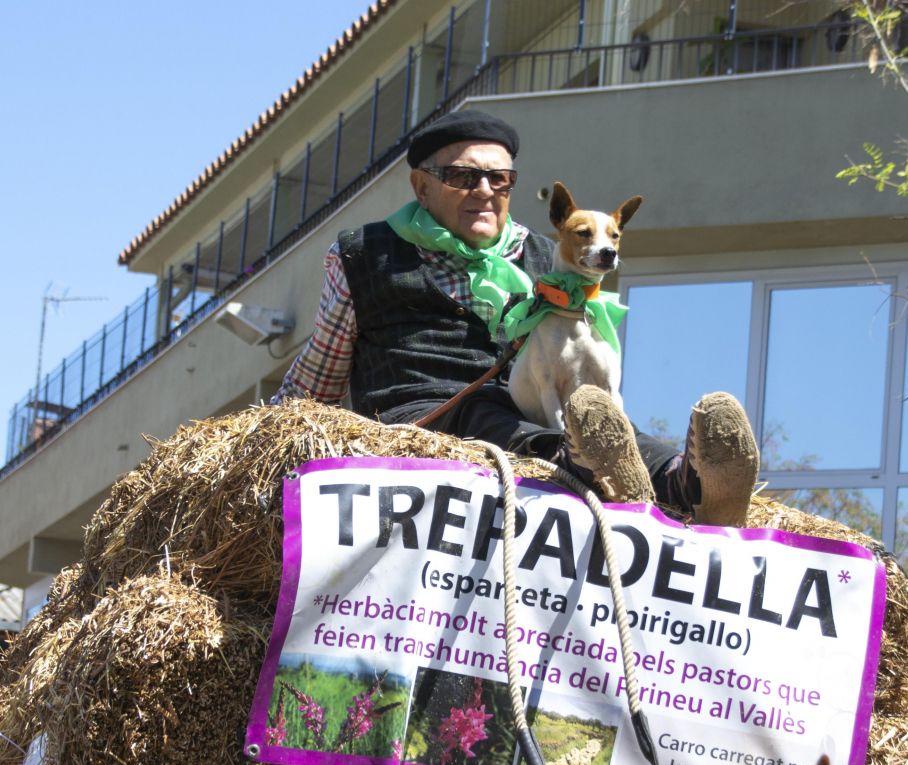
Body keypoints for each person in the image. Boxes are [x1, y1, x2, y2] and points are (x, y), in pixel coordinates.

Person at [272, 109, 759, 527]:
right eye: (464, 177)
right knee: (489, 413)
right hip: (421, 419)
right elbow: (320, 374)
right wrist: (258, 440)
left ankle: (691, 480)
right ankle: (579, 465)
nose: (484, 190)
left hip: (532, 403)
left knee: (607, 424)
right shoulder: (363, 254)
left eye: (499, 179)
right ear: (422, 186)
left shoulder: (552, 255)